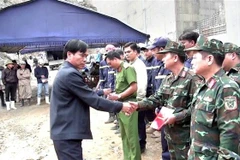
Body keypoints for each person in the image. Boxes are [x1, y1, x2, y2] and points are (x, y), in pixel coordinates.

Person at [50, 39, 135, 160]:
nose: (85, 59)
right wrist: (121, 106)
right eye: (82, 55)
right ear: (69, 54)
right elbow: (94, 101)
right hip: (66, 133)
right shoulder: (69, 74)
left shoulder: (67, 71)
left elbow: (84, 92)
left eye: (86, 56)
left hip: (65, 132)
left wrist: (101, 92)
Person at [130, 40, 201, 160]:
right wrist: (137, 105)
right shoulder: (168, 79)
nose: (162, 59)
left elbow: (196, 108)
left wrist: (176, 117)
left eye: (165, 56)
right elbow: (157, 98)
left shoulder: (193, 79)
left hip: (185, 136)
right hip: (169, 133)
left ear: (175, 57)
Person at [185, 36, 240, 159]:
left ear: (209, 59)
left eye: (195, 58)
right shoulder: (204, 86)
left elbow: (230, 134)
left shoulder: (226, 88)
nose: (192, 62)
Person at [106, 50, 141, 160]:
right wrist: (115, 95)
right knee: (125, 136)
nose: (109, 66)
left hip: (129, 104)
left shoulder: (127, 68)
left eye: (110, 63)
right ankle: (127, 157)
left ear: (115, 59)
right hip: (121, 105)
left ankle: (135, 158)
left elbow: (134, 87)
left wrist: (119, 96)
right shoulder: (119, 70)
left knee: (131, 136)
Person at [147, 37, 171, 160]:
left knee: (168, 143)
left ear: (162, 49)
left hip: (169, 111)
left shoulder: (170, 67)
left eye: (154, 49)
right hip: (161, 108)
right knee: (164, 140)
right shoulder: (160, 64)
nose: (152, 52)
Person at [124, 42, 148, 153]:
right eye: (125, 52)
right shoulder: (130, 64)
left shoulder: (139, 65)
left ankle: (141, 145)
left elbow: (142, 84)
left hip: (138, 99)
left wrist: (139, 99)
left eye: (129, 51)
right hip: (132, 99)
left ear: (136, 52)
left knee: (139, 123)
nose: (126, 54)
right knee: (134, 123)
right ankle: (136, 144)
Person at [99, 44, 116, 124]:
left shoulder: (115, 61)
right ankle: (111, 117)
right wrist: (102, 88)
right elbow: (101, 76)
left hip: (114, 86)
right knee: (108, 102)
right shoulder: (102, 63)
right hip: (106, 85)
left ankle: (117, 119)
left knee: (116, 102)